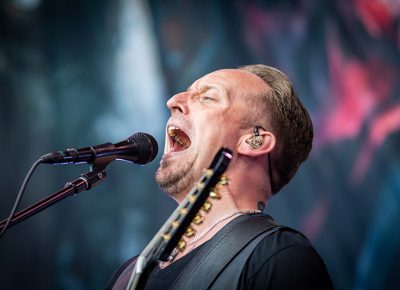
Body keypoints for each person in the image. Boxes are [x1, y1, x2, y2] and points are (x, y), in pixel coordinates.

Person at [107, 64, 334, 289]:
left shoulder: (280, 258)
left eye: (208, 97)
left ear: (255, 142)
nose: (173, 101)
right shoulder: (128, 274)